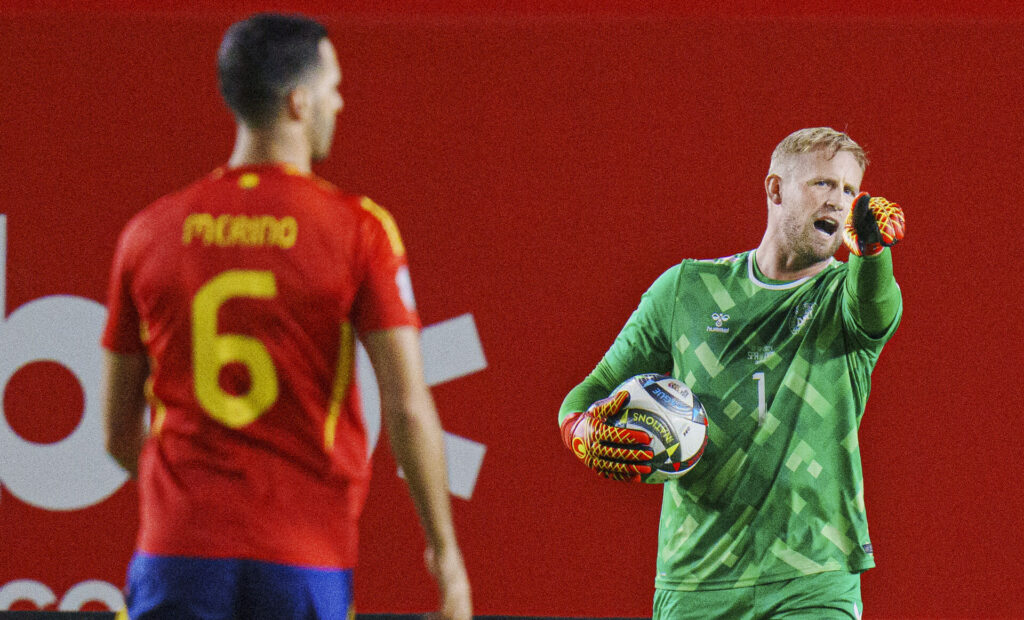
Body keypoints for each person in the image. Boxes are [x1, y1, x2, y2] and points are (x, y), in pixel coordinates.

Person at [101, 13, 471, 620]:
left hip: (176, 555)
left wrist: (192, 506)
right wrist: (446, 558)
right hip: (303, 558)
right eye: (332, 88)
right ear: (299, 102)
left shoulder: (150, 232)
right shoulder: (357, 230)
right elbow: (406, 406)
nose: (339, 102)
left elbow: (117, 432)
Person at [559, 127, 905, 619]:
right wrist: (579, 427)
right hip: (695, 580)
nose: (840, 201)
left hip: (812, 578)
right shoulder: (686, 291)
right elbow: (593, 387)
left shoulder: (841, 297)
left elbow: (875, 307)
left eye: (851, 191)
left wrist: (874, 253)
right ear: (776, 189)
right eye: (824, 184)